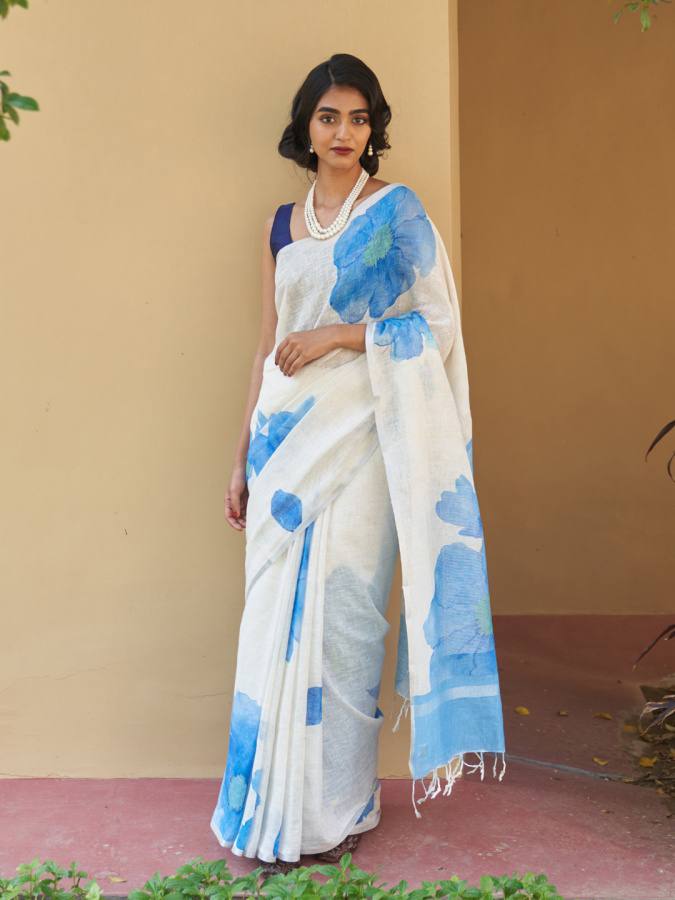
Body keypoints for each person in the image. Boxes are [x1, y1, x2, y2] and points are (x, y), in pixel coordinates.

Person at [210, 53, 507, 877]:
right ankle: (266, 806)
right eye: (328, 117)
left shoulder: (397, 212)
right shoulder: (279, 226)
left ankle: (340, 806)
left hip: (365, 442)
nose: (343, 132)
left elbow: (436, 327)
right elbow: (266, 347)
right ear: (305, 127)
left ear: (373, 129)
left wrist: (341, 336)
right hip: (283, 448)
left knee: (346, 623)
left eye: (358, 118)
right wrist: (239, 460)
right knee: (269, 628)